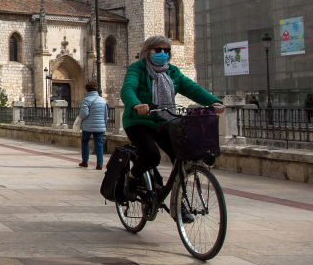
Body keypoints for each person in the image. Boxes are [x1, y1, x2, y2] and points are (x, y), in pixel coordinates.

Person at [120, 35, 222, 201]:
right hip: (138, 121)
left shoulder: (172, 71)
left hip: (163, 121)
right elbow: (128, 88)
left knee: (182, 156)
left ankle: (180, 202)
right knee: (152, 156)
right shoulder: (137, 69)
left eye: (166, 50)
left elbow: (191, 88)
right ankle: (131, 178)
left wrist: (214, 102)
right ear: (147, 52)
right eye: (158, 50)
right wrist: (136, 104)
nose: (163, 53)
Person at [78, 81, 108, 169]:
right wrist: (103, 124)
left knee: (85, 142)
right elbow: (105, 115)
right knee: (99, 144)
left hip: (88, 126)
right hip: (99, 126)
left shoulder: (86, 99)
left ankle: (85, 161)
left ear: (87, 90)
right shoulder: (102, 100)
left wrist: (80, 118)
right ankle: (100, 164)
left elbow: (84, 114)